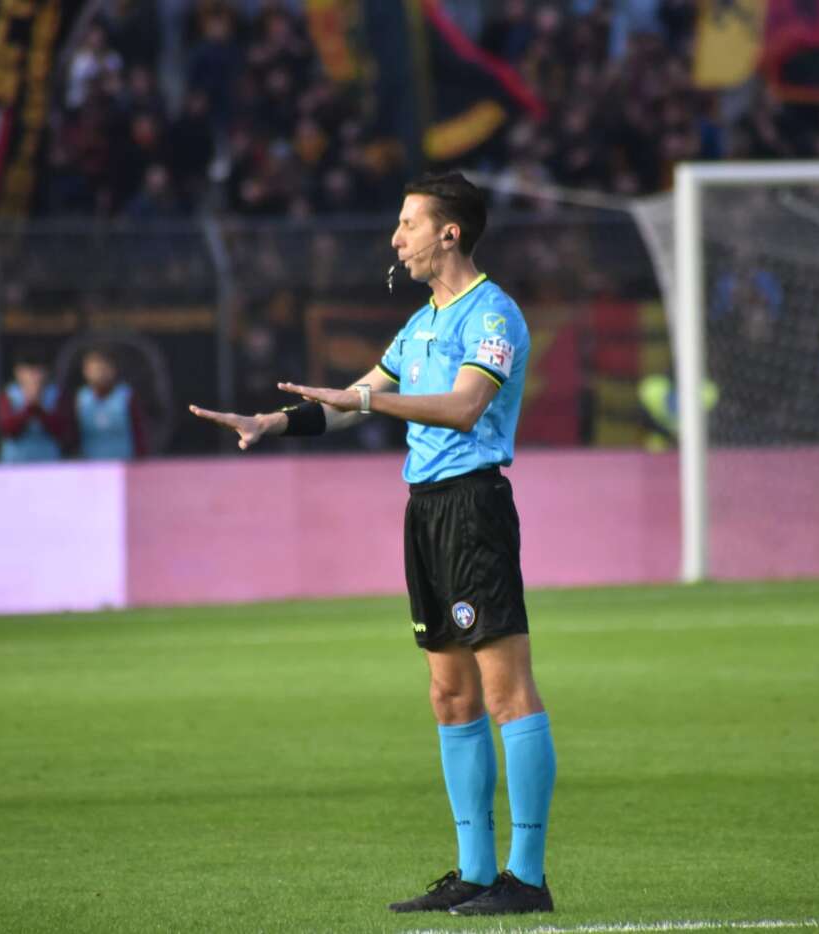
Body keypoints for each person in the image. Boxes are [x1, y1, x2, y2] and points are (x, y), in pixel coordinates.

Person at [189, 172, 557, 916]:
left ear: (449, 232)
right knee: (449, 694)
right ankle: (475, 871)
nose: (396, 238)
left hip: (474, 508)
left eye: (408, 224)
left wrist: (365, 399)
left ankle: (526, 877)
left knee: (505, 690)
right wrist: (271, 422)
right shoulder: (418, 324)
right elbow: (353, 404)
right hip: (425, 512)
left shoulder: (494, 315)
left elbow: (464, 407)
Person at [73, 347, 147, 460]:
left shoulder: (127, 396)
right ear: (85, 372)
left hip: (124, 462)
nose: (100, 374)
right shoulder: (80, 398)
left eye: (104, 369)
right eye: (96, 370)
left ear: (113, 370)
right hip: (90, 464)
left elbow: (140, 432)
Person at [0, 352, 68, 463]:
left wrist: (39, 408)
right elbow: (7, 429)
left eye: (38, 370)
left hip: (49, 462)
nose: (34, 377)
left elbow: (62, 431)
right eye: (29, 371)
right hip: (16, 463)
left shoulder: (56, 394)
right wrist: (29, 407)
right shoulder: (8, 395)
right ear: (18, 372)